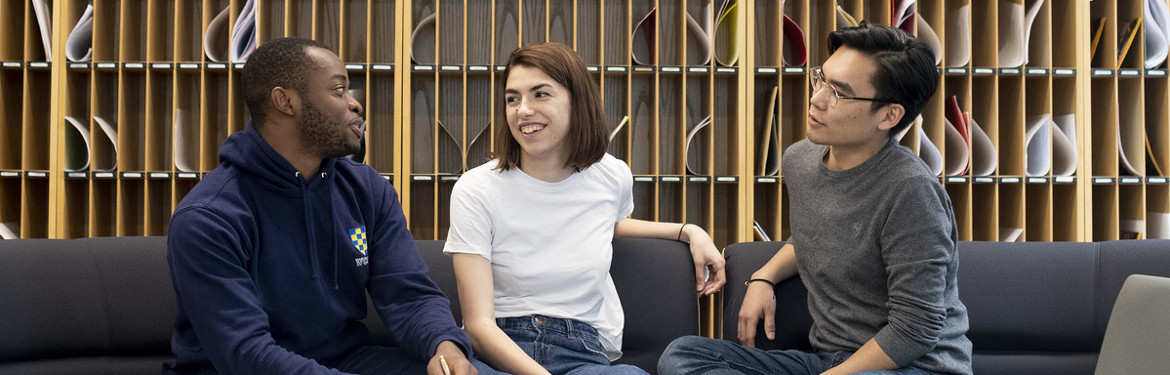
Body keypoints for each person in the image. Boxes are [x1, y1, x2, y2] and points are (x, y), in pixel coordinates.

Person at [164, 37, 494, 375]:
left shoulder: (368, 189)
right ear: (285, 101)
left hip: (347, 361)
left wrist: (446, 349)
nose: (355, 105)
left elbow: (410, 296)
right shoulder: (208, 217)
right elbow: (245, 353)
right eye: (339, 90)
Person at [658, 22, 973, 375]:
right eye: (821, 79)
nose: (816, 98)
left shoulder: (911, 192)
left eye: (838, 92)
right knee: (682, 355)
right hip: (831, 359)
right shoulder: (801, 160)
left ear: (889, 115)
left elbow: (915, 330)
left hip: (912, 366)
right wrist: (764, 276)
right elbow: (820, 232)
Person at [442, 42, 727, 375]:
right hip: (498, 351)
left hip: (582, 350)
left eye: (540, 94)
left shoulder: (611, 176)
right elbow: (478, 326)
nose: (523, 110)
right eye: (512, 98)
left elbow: (612, 222)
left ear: (577, 100)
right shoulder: (476, 189)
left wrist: (689, 231)